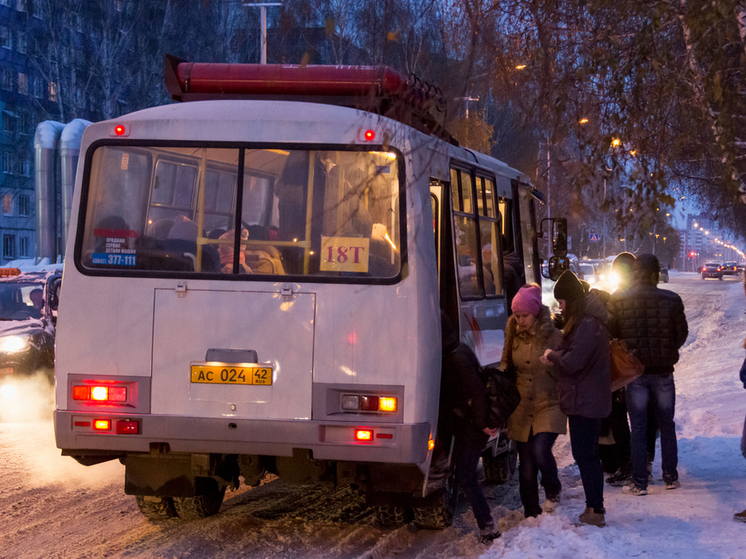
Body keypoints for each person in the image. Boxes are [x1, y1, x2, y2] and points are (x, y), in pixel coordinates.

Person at [608, 253, 688, 496]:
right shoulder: (672, 299)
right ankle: (670, 477)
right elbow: (681, 334)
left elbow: (613, 333)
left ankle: (640, 482)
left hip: (636, 373)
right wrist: (667, 350)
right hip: (663, 371)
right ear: (655, 274)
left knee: (639, 427)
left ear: (634, 273)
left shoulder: (619, 300)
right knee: (666, 424)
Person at [540, 271, 611, 527]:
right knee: (586, 455)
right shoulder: (585, 324)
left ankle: (595, 509)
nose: (560, 306)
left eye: (562, 301)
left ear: (572, 300)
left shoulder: (588, 325)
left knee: (586, 456)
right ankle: (594, 507)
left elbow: (573, 361)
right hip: (584, 399)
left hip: (586, 402)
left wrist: (552, 356)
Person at [501, 284, 565, 518]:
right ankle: (531, 510)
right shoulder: (512, 334)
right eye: (516, 316)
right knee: (526, 463)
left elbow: (566, 364)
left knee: (540, 450)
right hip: (521, 406)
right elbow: (505, 363)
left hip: (548, 402)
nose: (520, 320)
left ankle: (553, 487)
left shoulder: (554, 335)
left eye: (524, 315)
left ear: (536, 312)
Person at [438, 311, 501, 543]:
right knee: (463, 473)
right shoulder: (457, 350)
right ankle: (486, 525)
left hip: (473, 428)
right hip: (468, 426)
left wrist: (484, 424)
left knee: (466, 475)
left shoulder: (456, 358)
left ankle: (488, 527)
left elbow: (477, 392)